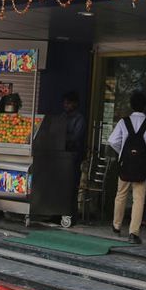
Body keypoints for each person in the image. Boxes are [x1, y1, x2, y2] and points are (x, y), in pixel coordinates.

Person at [107, 91, 146, 244]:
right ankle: (134, 232)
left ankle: (116, 225)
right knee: (139, 198)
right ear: (145, 106)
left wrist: (123, 152)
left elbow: (112, 140)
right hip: (143, 165)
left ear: (131, 105)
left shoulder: (123, 122)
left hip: (125, 164)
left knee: (121, 194)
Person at [62, 91, 86, 222]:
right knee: (62, 185)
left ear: (75, 104)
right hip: (61, 155)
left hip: (73, 157)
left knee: (72, 186)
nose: (66, 105)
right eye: (65, 103)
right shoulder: (62, 117)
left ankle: (71, 214)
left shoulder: (79, 119)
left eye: (69, 103)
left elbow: (76, 137)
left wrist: (63, 138)